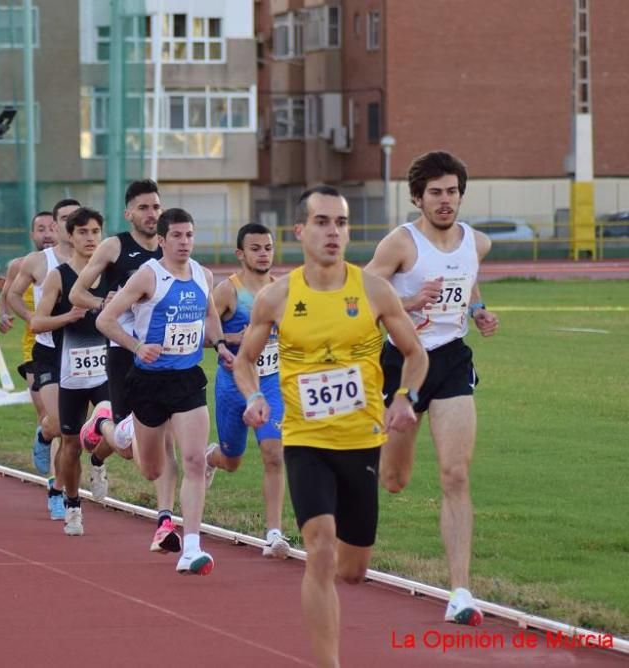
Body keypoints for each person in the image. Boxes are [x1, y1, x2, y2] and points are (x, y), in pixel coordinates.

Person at [236, 186, 426, 666]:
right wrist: (255, 395)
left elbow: (416, 353)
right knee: (318, 552)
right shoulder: (278, 297)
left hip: (362, 442)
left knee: (353, 571)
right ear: (300, 231)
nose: (333, 232)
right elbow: (244, 360)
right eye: (322, 222)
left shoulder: (373, 290)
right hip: (305, 440)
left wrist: (404, 396)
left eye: (340, 223)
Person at [364, 151, 500, 626]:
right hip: (402, 361)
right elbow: (361, 294)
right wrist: (407, 300)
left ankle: (460, 590)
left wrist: (479, 310)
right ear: (418, 197)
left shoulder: (476, 242)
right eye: (436, 193)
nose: (446, 201)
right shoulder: (401, 244)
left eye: (453, 192)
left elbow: (469, 281)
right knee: (393, 480)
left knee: (456, 474)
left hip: (451, 361)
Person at [97, 207, 233, 575]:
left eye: (189, 235)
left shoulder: (204, 275)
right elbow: (105, 320)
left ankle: (192, 547)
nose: (184, 242)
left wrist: (220, 346)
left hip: (187, 379)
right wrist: (136, 346)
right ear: (161, 240)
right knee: (152, 469)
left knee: (193, 461)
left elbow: (209, 317)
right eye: (176, 235)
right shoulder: (148, 276)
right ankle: (111, 427)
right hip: (148, 382)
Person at [71, 179, 182, 554]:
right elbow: (77, 293)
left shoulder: (171, 247)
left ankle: (165, 520)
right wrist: (106, 302)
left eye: (156, 207)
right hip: (124, 353)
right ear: (128, 213)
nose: (152, 215)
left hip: (166, 357)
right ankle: (100, 425)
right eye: (144, 208)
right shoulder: (115, 246)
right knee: (127, 447)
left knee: (164, 439)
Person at [205, 222, 290, 559]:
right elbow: (201, 330)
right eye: (255, 248)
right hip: (234, 385)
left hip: (270, 383)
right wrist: (232, 340)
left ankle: (274, 533)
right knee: (233, 460)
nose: (263, 253)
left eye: (268, 247)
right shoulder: (229, 291)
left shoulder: (282, 290)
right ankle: (213, 457)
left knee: (274, 453)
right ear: (240, 254)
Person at [31, 207, 113, 536]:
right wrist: (68, 317)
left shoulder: (112, 272)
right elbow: (37, 322)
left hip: (107, 370)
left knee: (117, 431)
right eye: (83, 232)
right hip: (72, 373)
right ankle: (73, 505)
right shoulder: (60, 276)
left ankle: (98, 462)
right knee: (69, 442)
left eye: (95, 231)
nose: (90, 238)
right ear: (71, 236)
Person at [6, 199, 80, 520]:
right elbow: (10, 293)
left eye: (76, 218)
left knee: (72, 432)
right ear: (57, 224)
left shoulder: (97, 260)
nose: (69, 224)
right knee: (62, 423)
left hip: (81, 353)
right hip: (47, 350)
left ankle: (55, 478)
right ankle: (55, 486)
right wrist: (31, 317)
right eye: (64, 219)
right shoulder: (39, 261)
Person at [0, 211, 58, 441]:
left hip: (67, 344)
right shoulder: (20, 265)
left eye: (52, 228)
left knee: (68, 417)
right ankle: (44, 438)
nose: (47, 234)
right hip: (35, 346)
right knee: (45, 410)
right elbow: (5, 297)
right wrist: (4, 316)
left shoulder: (73, 264)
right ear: (32, 234)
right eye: (41, 229)